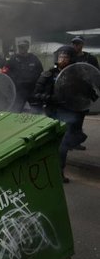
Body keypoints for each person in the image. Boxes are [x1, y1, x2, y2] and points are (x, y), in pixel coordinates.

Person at [31, 45, 81, 182]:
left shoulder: (76, 75)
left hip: (68, 113)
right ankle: (41, 170)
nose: (63, 59)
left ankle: (59, 172)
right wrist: (50, 98)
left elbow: (86, 93)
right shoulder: (48, 74)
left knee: (63, 145)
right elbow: (36, 94)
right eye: (61, 56)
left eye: (66, 57)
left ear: (71, 59)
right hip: (50, 112)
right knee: (47, 143)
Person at [1, 40, 43, 112]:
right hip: (19, 90)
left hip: (32, 89)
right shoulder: (13, 59)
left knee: (37, 111)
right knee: (15, 111)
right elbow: (5, 72)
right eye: (20, 47)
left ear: (27, 47)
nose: (22, 48)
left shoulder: (34, 58)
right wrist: (15, 79)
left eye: (24, 47)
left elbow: (40, 72)